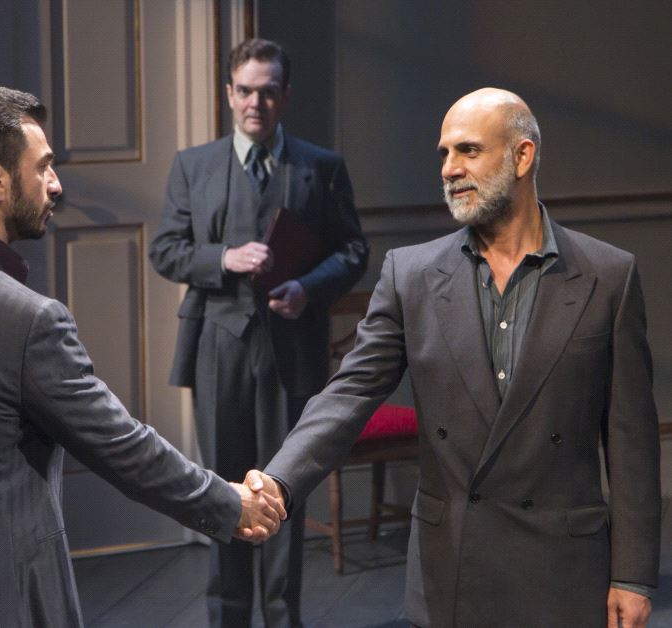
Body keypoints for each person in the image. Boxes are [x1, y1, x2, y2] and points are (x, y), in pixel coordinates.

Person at [0, 85, 286, 628]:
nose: (56, 184)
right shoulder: (27, 318)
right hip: (1, 602)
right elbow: (120, 445)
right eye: (43, 167)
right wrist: (229, 503)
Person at [252, 88, 661, 627]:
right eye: (444, 154)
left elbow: (632, 441)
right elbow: (349, 393)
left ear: (522, 156)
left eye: (468, 150)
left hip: (564, 569)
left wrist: (632, 575)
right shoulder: (412, 274)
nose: (449, 168)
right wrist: (277, 482)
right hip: (454, 566)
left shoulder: (607, 276)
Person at [149, 39, 369, 626]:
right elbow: (165, 250)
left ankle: (281, 616)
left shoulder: (321, 167)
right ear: (229, 94)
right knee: (220, 490)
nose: (256, 103)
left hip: (291, 348)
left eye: (268, 92)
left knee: (281, 488)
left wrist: (308, 288)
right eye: (245, 91)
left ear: (284, 96)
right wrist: (223, 258)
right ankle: (228, 616)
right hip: (217, 344)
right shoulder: (193, 166)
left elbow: (352, 250)